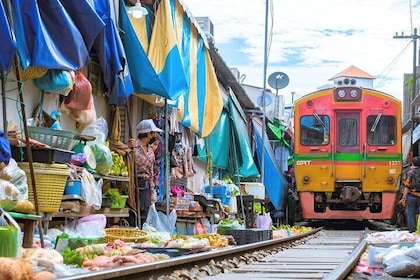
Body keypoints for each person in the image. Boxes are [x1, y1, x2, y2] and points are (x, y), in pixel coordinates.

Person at [128, 119, 163, 226]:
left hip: (146, 186)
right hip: (134, 184)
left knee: (144, 213)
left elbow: (151, 172)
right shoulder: (133, 146)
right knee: (133, 212)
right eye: (153, 132)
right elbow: (126, 159)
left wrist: (152, 191)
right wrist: (128, 148)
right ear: (148, 133)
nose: (155, 135)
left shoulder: (150, 151)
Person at [400, 156, 420, 233]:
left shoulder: (410, 173)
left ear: (412, 163)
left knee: (411, 213)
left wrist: (404, 198)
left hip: (412, 196)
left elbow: (407, 187)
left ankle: (413, 230)